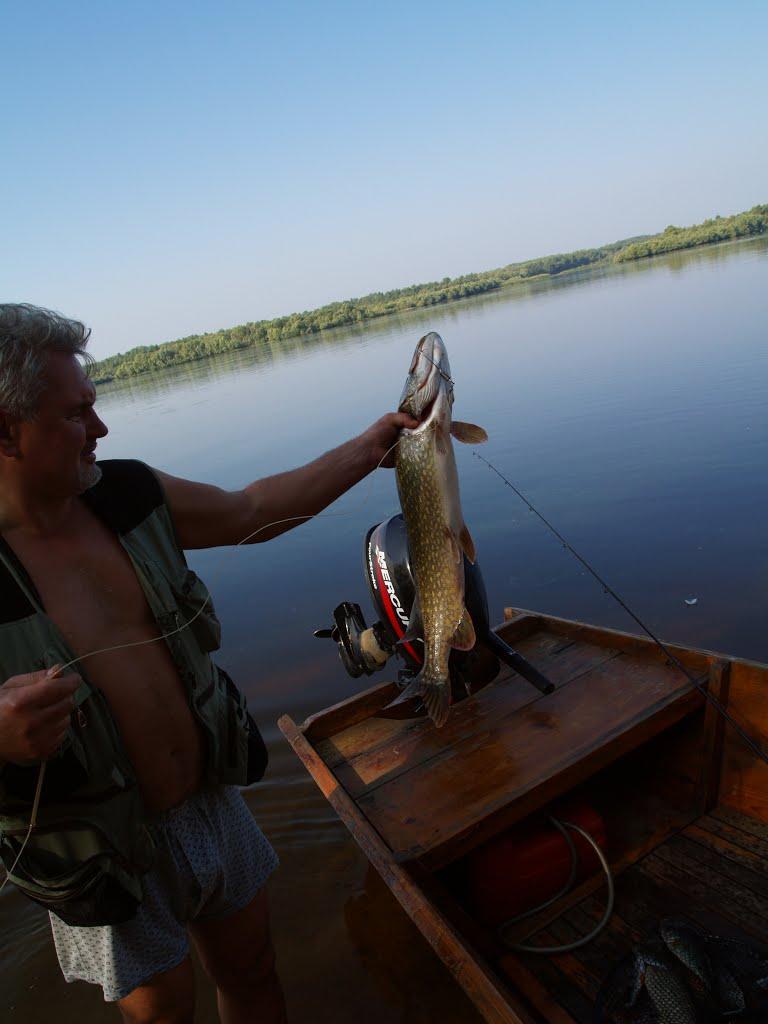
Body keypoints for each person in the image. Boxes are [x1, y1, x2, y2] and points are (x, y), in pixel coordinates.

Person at [0, 303, 417, 1024]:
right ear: (6, 430)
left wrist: (370, 447)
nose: (100, 429)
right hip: (101, 849)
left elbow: (251, 510)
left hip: (207, 801)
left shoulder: (126, 493)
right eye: (74, 414)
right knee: (163, 1017)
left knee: (254, 971)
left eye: (94, 405)